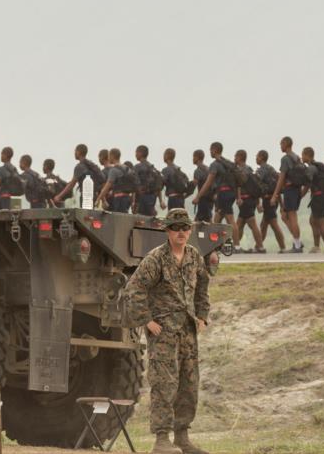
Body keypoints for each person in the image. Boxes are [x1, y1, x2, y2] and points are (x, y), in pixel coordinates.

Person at [123, 208, 214, 454]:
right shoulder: (156, 258)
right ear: (167, 230)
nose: (181, 232)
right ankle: (162, 439)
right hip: (162, 331)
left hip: (186, 330)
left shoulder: (194, 256)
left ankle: (182, 437)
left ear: (191, 229)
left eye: (185, 227)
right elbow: (134, 290)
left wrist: (203, 316)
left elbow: (203, 285)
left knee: (189, 382)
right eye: (175, 228)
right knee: (164, 383)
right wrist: (146, 320)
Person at [194, 142, 238, 243]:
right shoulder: (227, 163)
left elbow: (208, 182)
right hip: (230, 193)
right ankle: (215, 244)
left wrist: (198, 196)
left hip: (223, 194)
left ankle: (236, 246)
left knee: (230, 220)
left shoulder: (215, 165)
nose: (210, 152)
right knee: (216, 220)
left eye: (210, 150)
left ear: (215, 150)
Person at [271, 137, 304, 253]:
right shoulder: (297, 158)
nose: (280, 146)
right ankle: (298, 241)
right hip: (296, 189)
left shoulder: (285, 159)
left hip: (290, 190)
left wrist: (275, 194)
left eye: (281, 144)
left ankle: (297, 246)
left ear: (286, 144)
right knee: (285, 216)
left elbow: (282, 178)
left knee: (292, 217)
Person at [300, 147, 324, 253]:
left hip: (319, 197)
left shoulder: (312, 168)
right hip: (320, 197)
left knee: (321, 222)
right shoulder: (318, 166)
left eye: (303, 155)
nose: (302, 157)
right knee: (313, 220)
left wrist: (300, 195)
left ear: (307, 155)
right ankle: (316, 246)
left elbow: (307, 182)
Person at [255, 150, 286, 253]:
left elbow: (256, 187)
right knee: (264, 224)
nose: (256, 158)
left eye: (257, 156)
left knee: (274, 224)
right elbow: (278, 187)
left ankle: (283, 247)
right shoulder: (272, 169)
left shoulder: (261, 171)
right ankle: (259, 247)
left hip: (268, 200)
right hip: (273, 200)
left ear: (262, 157)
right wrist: (281, 205)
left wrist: (257, 203)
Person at [234, 150, 265, 253]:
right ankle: (236, 246)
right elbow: (255, 188)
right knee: (240, 224)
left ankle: (260, 247)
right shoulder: (250, 169)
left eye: (235, 156)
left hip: (245, 200)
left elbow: (239, 185)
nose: (234, 158)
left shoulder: (241, 171)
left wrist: (238, 198)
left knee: (251, 224)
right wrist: (258, 203)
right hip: (250, 200)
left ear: (240, 157)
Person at [97, 148, 134, 213]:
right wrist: (133, 201)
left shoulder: (113, 170)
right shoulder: (127, 168)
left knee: (117, 220)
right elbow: (134, 186)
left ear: (112, 156)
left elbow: (106, 186)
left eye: (109, 156)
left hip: (119, 199)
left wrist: (98, 199)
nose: (108, 158)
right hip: (127, 199)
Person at [134, 145, 163, 215]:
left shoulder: (137, 167)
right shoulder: (153, 169)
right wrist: (160, 200)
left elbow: (135, 184)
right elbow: (158, 187)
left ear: (140, 153)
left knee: (140, 219)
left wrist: (134, 202)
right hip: (152, 198)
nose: (135, 154)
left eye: (136, 152)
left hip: (142, 198)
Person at [192, 150, 213, 223]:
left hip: (203, 199)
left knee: (205, 221)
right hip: (210, 198)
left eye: (193, 157)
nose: (193, 159)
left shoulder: (198, 171)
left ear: (197, 157)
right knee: (205, 219)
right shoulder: (208, 169)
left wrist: (196, 198)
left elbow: (193, 185)